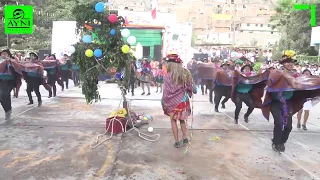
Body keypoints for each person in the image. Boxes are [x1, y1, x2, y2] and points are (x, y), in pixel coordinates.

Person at [161, 54, 194, 148]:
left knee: (173, 121)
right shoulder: (184, 74)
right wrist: (189, 92)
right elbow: (189, 86)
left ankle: (176, 141)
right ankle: (185, 137)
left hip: (171, 104)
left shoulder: (166, 76)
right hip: (182, 102)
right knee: (182, 120)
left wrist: (164, 102)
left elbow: (166, 92)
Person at [269, 55, 298, 152]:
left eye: (291, 62)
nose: (290, 64)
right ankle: (276, 143)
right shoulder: (277, 73)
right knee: (279, 123)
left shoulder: (296, 75)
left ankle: (281, 142)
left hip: (287, 103)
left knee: (288, 126)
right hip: (276, 102)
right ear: (282, 64)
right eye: (287, 62)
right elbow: (270, 82)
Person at [0, 49, 21, 119]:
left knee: (6, 95)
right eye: (2, 54)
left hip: (10, 81)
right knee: (1, 97)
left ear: (8, 55)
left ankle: (8, 110)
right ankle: (7, 110)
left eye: (5, 53)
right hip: (1, 81)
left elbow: (18, 67)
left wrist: (10, 62)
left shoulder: (12, 61)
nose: (3, 55)